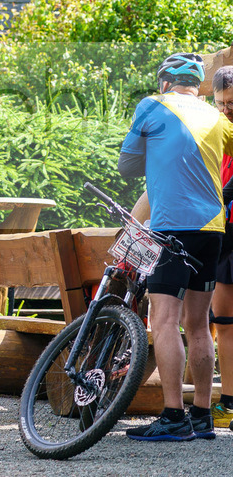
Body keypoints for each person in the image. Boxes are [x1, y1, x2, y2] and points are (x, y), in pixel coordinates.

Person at [118, 52, 233, 441]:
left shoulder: (152, 105)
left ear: (164, 82)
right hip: (213, 230)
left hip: (172, 229)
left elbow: (128, 167)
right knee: (199, 324)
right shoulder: (217, 118)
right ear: (198, 85)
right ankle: (202, 415)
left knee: (163, 319)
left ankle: (173, 416)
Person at [209, 65, 233, 430]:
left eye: (231, 102)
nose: (226, 108)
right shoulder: (216, 132)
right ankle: (228, 401)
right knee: (223, 323)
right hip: (223, 233)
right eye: (220, 102)